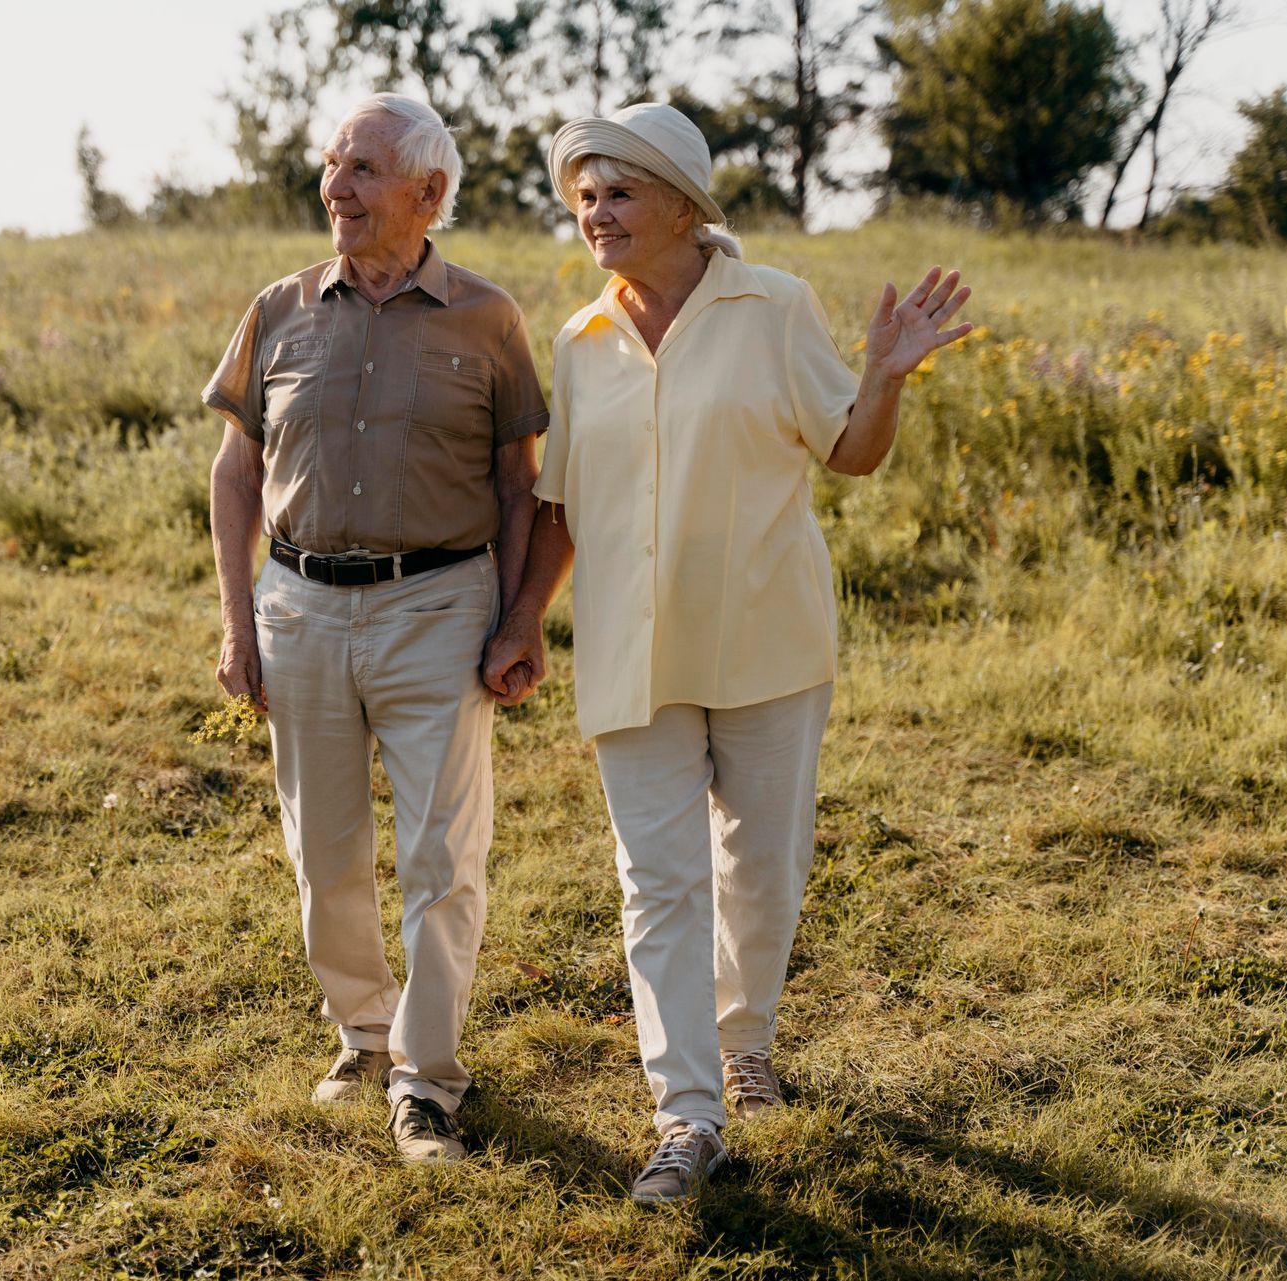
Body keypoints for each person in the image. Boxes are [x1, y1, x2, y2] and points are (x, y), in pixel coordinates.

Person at [481, 102, 973, 1203]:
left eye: (618, 192)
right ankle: (686, 1113)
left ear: (683, 203)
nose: (596, 214)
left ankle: (745, 1038)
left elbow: (850, 453)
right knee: (657, 882)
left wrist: (886, 375)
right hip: (627, 650)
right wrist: (521, 622)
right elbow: (559, 507)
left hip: (767, 636)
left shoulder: (774, 306)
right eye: (584, 196)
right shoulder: (580, 340)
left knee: (761, 866)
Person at [204, 93, 548, 1163]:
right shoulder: (278, 309)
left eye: (361, 170)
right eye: (332, 165)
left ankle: (428, 1083)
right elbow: (237, 468)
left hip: (438, 603)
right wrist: (235, 618)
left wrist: (516, 619)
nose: (335, 188)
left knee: (442, 854)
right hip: (298, 604)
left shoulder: (487, 318)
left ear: (428, 192)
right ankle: (362, 1032)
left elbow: (518, 484)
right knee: (327, 849)